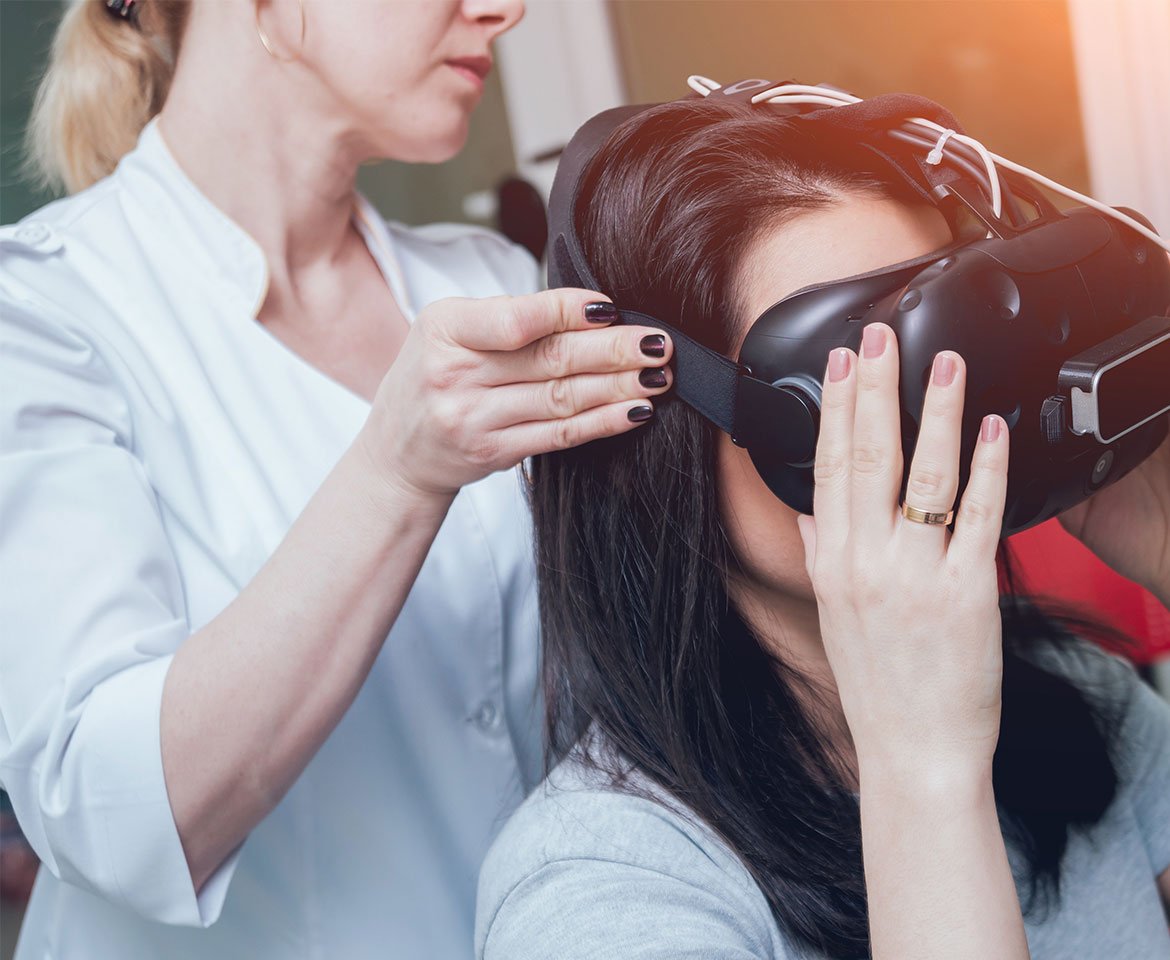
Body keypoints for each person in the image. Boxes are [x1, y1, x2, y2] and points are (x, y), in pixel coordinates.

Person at [473, 96, 1170, 959]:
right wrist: (924, 769)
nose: (934, 430)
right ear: (663, 446)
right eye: (865, 388)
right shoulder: (606, 891)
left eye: (951, 353)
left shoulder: (1058, 704)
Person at [0, 1, 677, 957]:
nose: (505, 8)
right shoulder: (36, 311)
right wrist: (398, 472)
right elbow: (109, 817)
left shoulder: (492, 280)